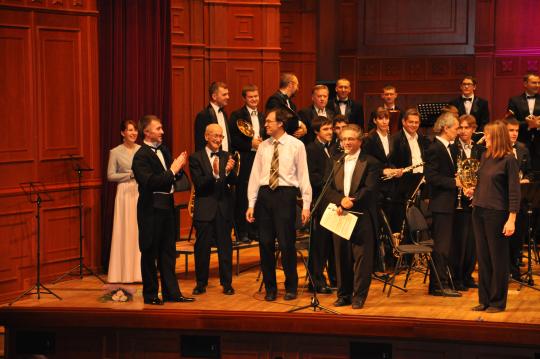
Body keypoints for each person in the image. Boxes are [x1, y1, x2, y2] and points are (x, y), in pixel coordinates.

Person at [246, 108, 312, 302]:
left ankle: (291, 286)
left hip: (286, 194)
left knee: (286, 243)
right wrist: (251, 203)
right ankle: (270, 288)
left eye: (268, 121)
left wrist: (306, 204)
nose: (265, 124)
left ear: (280, 123)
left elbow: (303, 175)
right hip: (265, 195)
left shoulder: (296, 145)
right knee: (265, 243)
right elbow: (255, 176)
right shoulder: (263, 147)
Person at [132, 115, 194, 305]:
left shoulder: (164, 150)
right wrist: (172, 171)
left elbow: (173, 178)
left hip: (167, 206)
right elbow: (150, 182)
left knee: (168, 252)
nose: (162, 131)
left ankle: (171, 293)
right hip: (150, 208)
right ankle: (150, 295)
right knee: (150, 252)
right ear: (147, 132)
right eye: (158, 128)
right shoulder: (141, 156)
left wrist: (177, 170)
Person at [466, 120, 520, 313]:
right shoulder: (485, 156)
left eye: (487, 135)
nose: (484, 138)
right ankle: (485, 299)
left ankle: (497, 301)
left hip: (497, 214)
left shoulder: (509, 160)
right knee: (484, 258)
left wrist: (511, 219)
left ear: (495, 137)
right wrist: (474, 191)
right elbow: (485, 182)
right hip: (478, 210)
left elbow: (514, 191)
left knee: (498, 259)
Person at [325, 124, 380, 309]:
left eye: (351, 139)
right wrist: (340, 201)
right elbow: (328, 189)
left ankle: (359, 296)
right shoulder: (335, 160)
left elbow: (370, 189)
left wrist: (351, 201)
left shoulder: (371, 162)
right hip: (340, 214)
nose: (346, 142)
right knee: (341, 257)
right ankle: (344, 295)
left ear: (359, 141)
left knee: (362, 259)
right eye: (343, 139)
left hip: (361, 215)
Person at [189, 124, 237, 296]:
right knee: (201, 249)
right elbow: (200, 184)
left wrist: (229, 172)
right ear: (206, 136)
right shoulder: (196, 158)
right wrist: (216, 173)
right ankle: (201, 283)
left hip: (223, 208)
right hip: (205, 209)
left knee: (226, 249)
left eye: (221, 136)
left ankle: (227, 283)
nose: (218, 139)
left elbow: (234, 182)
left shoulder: (227, 156)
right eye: (215, 136)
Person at [424, 112, 462, 297]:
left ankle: (444, 281)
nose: (458, 131)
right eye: (456, 128)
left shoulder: (451, 148)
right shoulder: (434, 148)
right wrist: (454, 182)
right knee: (441, 247)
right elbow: (431, 177)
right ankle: (438, 285)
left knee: (448, 246)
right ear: (446, 128)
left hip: (451, 203)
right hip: (441, 205)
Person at [450, 115, 485, 291]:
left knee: (473, 241)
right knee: (460, 241)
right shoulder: (453, 149)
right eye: (460, 127)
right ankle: (456, 278)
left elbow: (483, 173)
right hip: (459, 201)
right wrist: (464, 188)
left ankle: (467, 275)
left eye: (466, 127)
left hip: (477, 199)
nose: (463, 131)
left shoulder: (480, 149)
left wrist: (476, 190)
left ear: (473, 129)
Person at [229, 84, 266, 243]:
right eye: (250, 97)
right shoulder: (236, 115)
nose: (254, 99)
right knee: (244, 195)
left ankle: (254, 230)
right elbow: (233, 140)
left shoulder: (264, 116)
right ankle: (242, 231)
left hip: (261, 159)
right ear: (244, 98)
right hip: (245, 159)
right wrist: (251, 145)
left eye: (256, 96)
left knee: (258, 194)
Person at [107, 120, 142, 283]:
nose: (133, 133)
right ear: (122, 133)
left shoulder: (142, 150)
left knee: (138, 229)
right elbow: (110, 175)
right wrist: (129, 175)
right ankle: (121, 273)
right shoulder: (115, 152)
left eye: (135, 130)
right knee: (125, 229)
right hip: (124, 192)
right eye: (130, 130)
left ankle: (139, 272)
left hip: (139, 190)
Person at [305, 116, 335, 294]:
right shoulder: (311, 149)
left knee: (331, 243)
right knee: (319, 244)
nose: (330, 132)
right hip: (320, 200)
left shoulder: (333, 148)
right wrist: (330, 182)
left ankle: (334, 278)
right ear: (316, 132)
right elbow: (312, 176)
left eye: (331, 128)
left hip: (333, 200)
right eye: (326, 129)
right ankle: (315, 281)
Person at [387, 108, 430, 232]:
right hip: (402, 185)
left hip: (420, 183)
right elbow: (389, 161)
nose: (414, 125)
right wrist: (395, 170)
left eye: (416, 122)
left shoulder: (424, 140)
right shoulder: (394, 139)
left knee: (416, 223)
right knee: (400, 223)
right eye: (411, 122)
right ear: (403, 122)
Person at [505, 117, 532, 282]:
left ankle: (515, 271)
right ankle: (504, 271)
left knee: (518, 237)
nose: (514, 134)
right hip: (502, 200)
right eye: (511, 130)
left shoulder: (523, 149)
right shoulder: (498, 149)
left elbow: (530, 171)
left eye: (516, 131)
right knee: (504, 237)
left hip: (519, 199)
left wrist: (526, 179)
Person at [507, 72, 540, 170]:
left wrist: (538, 125)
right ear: (525, 84)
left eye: (538, 83)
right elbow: (510, 121)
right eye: (534, 83)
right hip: (521, 142)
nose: (537, 85)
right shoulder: (514, 100)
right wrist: (528, 124)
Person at [265, 73, 307, 140]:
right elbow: (278, 121)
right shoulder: (274, 100)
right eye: (297, 85)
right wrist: (300, 124)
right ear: (290, 84)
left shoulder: (291, 104)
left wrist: (301, 130)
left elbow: (294, 120)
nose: (297, 88)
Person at [194, 81, 232, 152]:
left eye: (228, 94)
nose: (228, 97)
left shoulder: (224, 114)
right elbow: (200, 143)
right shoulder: (203, 115)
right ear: (214, 96)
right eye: (224, 95)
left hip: (225, 158)